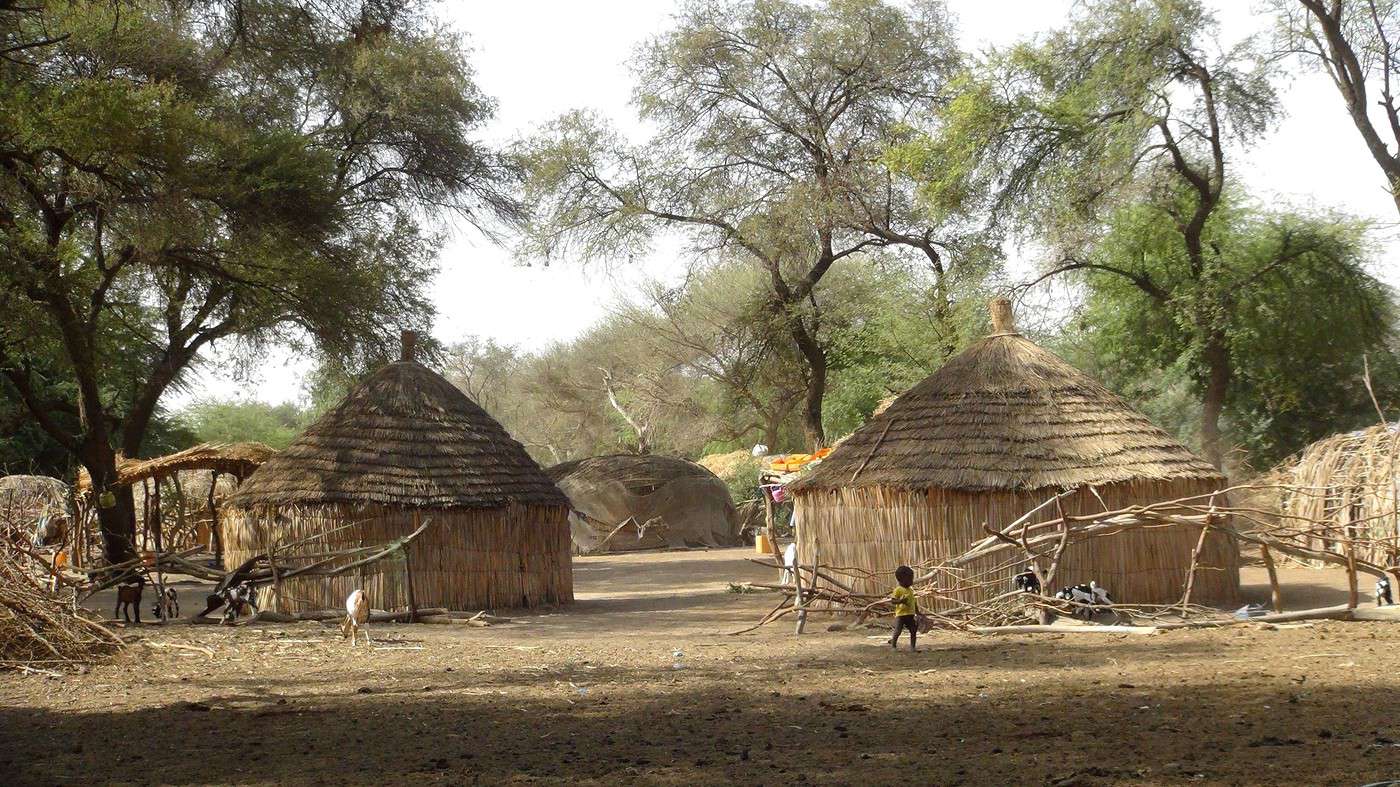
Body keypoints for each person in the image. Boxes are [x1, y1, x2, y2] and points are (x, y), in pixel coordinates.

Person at [889, 564, 918, 651]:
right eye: (910, 579)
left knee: (913, 630)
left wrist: (918, 612)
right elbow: (893, 601)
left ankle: (912, 647)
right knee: (898, 630)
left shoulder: (910, 590)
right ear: (902, 579)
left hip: (910, 614)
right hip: (901, 615)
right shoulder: (898, 590)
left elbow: (914, 602)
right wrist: (901, 601)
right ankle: (893, 646)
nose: (912, 581)